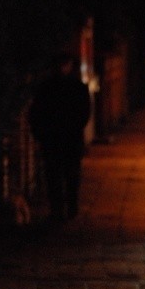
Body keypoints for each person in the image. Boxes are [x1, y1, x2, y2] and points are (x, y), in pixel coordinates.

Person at [29, 53, 91, 222]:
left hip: (63, 137)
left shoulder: (74, 87)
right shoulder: (50, 88)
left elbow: (84, 112)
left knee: (68, 174)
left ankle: (69, 207)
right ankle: (60, 208)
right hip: (57, 138)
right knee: (57, 174)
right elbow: (36, 113)